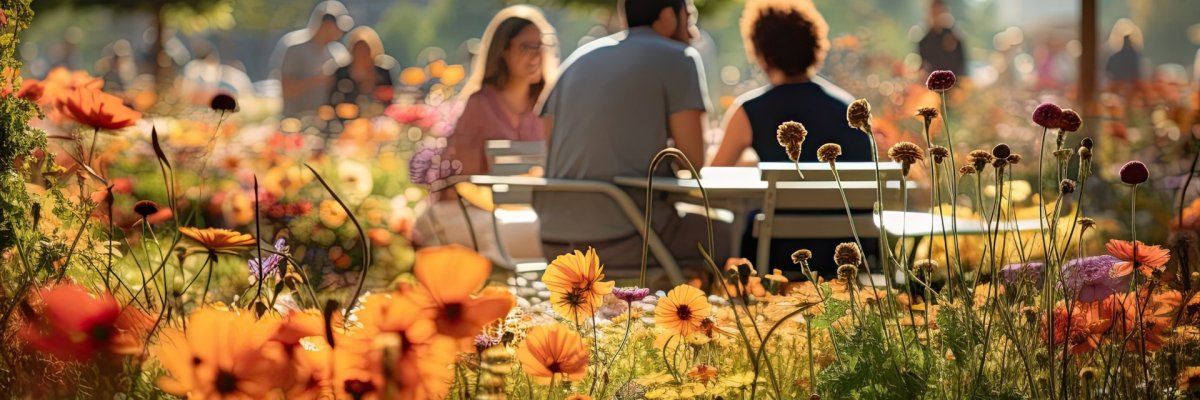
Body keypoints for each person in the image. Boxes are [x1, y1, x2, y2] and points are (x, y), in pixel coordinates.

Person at [535, 0, 728, 284]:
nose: (694, 33)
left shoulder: (579, 58)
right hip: (626, 237)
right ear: (667, 17)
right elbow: (694, 161)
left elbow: (551, 139)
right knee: (732, 233)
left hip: (553, 240)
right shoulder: (680, 56)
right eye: (689, 19)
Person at [711, 0, 872, 277]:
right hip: (848, 252)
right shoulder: (849, 108)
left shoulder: (749, 110)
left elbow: (711, 182)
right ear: (815, 45)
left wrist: (752, 165)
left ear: (761, 53)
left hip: (779, 252)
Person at [413, 5, 559, 264]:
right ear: (503, 50)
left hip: (533, 212)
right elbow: (460, 181)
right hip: (480, 211)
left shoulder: (550, 105)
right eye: (527, 46)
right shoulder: (479, 105)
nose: (537, 55)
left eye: (542, 46)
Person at [270, 1, 351, 120]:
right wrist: (317, 80)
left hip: (326, 122)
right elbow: (286, 89)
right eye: (337, 28)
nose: (340, 33)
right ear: (325, 24)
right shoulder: (294, 46)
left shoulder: (338, 52)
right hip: (294, 119)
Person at [329, 27, 397, 116]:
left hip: (379, 120)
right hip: (348, 121)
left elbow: (390, 98)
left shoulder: (383, 73)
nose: (361, 55)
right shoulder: (342, 73)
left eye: (365, 50)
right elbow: (334, 101)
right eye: (358, 50)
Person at [917, 0, 967, 76]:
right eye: (935, 13)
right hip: (933, 84)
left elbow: (961, 64)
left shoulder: (954, 37)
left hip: (954, 82)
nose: (937, 17)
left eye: (940, 12)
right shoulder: (924, 41)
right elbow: (924, 67)